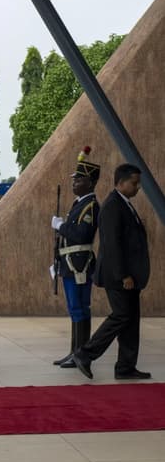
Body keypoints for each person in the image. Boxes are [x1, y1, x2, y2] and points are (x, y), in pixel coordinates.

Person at [72, 163, 151, 380]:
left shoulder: (124, 204)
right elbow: (111, 244)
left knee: (131, 319)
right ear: (121, 182)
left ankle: (125, 367)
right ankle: (85, 353)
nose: (138, 188)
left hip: (130, 276)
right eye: (134, 183)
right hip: (119, 276)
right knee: (121, 315)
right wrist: (123, 274)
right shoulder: (113, 206)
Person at [51, 148, 101, 368]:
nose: (74, 183)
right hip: (70, 264)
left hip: (79, 265)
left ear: (90, 183)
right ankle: (74, 352)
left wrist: (61, 226)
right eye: (74, 180)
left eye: (79, 180)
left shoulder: (90, 205)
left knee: (80, 308)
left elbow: (83, 235)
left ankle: (81, 354)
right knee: (75, 308)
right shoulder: (78, 203)